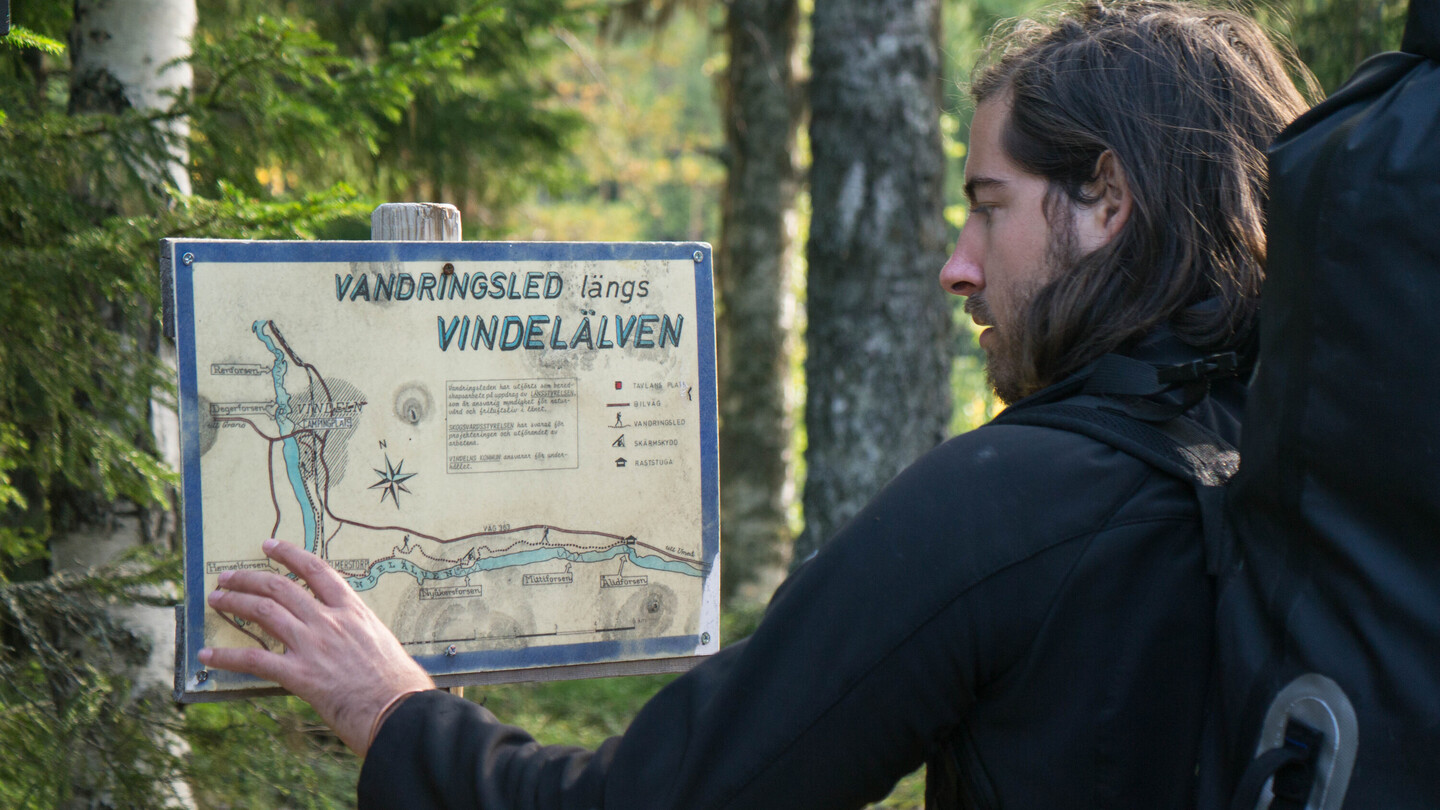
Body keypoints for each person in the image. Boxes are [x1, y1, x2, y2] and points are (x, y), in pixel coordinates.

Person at [199, 3, 1314, 807]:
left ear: (1106, 200)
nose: (958, 266)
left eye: (989, 206)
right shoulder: (1290, 458)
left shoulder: (1020, 502)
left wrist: (393, 715)